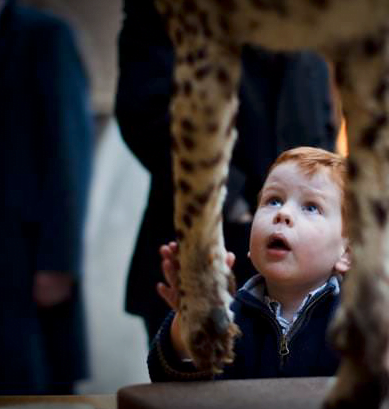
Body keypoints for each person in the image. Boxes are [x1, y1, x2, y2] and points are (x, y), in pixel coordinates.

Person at [115, 0, 337, 342]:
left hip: (302, 266)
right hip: (201, 247)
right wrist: (239, 199)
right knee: (191, 379)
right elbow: (146, 111)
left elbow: (320, 117)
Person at [148, 147, 389, 393]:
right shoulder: (230, 314)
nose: (283, 214)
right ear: (251, 246)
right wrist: (190, 328)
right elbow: (172, 382)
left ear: (345, 252)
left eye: (311, 207)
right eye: (273, 200)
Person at [0, 0, 92, 395]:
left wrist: (59, 262)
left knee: (30, 390)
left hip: (24, 262)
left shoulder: (45, 37)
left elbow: (69, 152)